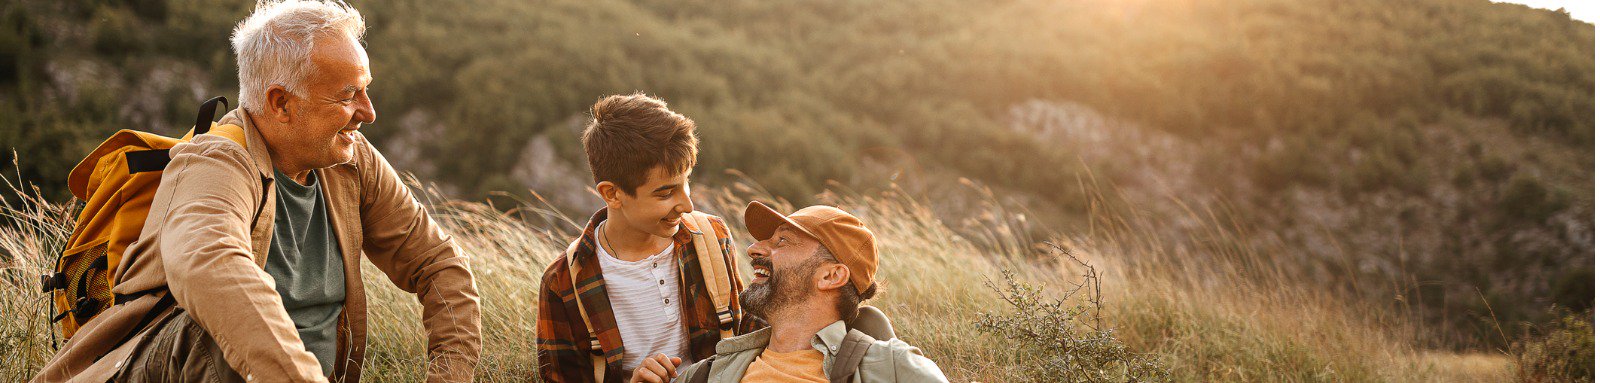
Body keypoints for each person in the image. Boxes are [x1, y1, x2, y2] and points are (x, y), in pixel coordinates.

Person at [31, 1, 481, 382]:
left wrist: (449, 375)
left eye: (366, 91)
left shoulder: (349, 159)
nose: (369, 112)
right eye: (347, 96)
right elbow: (208, 263)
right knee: (218, 329)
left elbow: (438, 264)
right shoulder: (215, 162)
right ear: (280, 103)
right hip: (162, 366)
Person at [536, 93, 758, 383]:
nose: (687, 205)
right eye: (665, 193)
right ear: (612, 194)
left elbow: (745, 338)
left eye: (686, 182)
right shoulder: (562, 283)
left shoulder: (712, 237)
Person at [641, 202, 947, 383]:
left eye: (782, 242)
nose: (754, 248)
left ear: (831, 275)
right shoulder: (711, 372)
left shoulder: (889, 366)